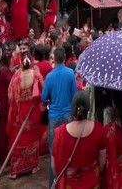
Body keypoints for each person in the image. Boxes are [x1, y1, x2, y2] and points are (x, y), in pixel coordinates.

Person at [52, 91, 106, 189]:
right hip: (92, 183)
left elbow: (54, 166)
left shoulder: (60, 132)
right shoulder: (98, 129)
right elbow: (102, 164)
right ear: (88, 108)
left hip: (70, 184)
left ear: (72, 108)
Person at [42, 47, 78, 188]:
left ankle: (54, 184)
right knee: (70, 151)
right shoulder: (70, 74)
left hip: (54, 118)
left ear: (54, 59)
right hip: (68, 117)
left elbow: (44, 98)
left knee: (53, 153)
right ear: (64, 58)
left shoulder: (50, 76)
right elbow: (75, 95)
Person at [7, 55, 44, 179]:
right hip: (32, 110)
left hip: (20, 112)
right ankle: (33, 166)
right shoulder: (36, 75)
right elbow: (41, 92)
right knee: (32, 137)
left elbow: (11, 96)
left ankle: (15, 171)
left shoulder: (16, 78)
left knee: (18, 138)